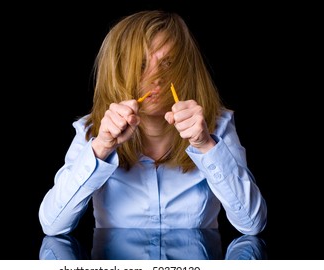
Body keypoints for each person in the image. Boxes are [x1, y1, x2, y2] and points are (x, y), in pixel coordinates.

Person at [38, 10, 267, 237]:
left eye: (168, 63)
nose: (155, 77)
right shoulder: (92, 131)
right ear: (117, 70)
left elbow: (252, 224)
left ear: (185, 70)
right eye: (140, 65)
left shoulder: (216, 126)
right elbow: (52, 224)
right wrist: (102, 148)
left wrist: (206, 145)